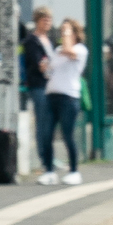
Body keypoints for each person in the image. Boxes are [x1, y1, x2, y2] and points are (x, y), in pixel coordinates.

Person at [38, 19, 87, 184]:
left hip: (69, 97)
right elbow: (51, 68)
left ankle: (74, 171)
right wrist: (45, 66)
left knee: (67, 135)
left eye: (66, 31)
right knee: (46, 134)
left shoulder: (80, 50)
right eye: (62, 31)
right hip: (52, 95)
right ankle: (49, 171)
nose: (63, 34)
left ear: (74, 33)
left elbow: (69, 51)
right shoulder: (58, 50)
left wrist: (66, 32)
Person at [19, 6, 54, 114]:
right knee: (43, 118)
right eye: (44, 20)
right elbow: (39, 64)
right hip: (39, 85)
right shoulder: (31, 41)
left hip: (50, 84)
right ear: (37, 21)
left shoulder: (49, 40)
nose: (47, 22)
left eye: (49, 20)